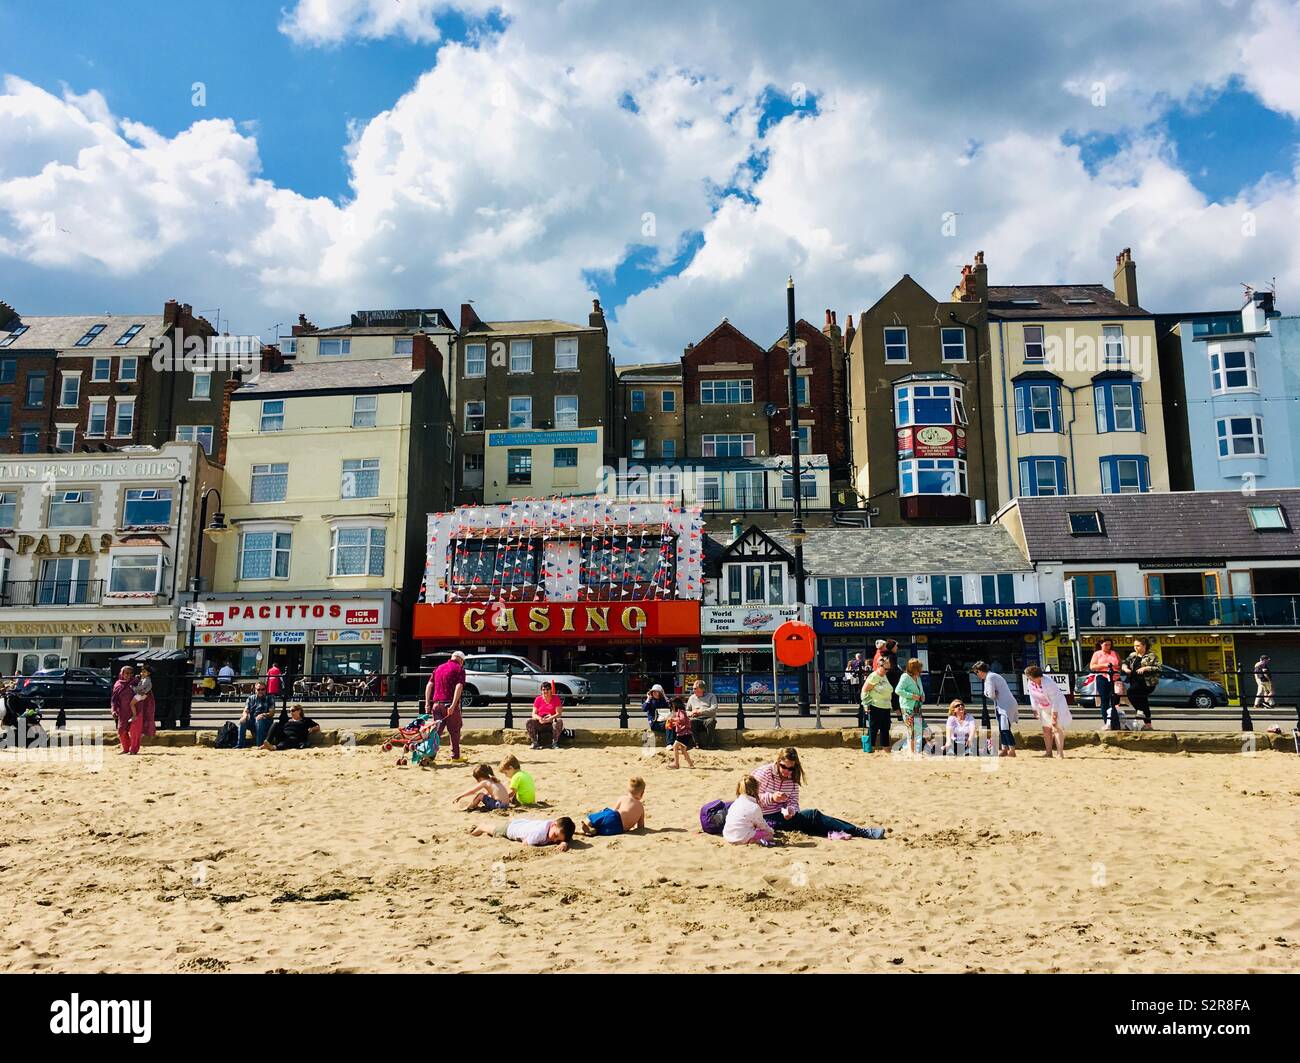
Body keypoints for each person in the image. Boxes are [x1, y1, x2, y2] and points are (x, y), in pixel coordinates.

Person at [751, 748, 887, 839]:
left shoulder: (792, 778)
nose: (786, 771)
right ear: (777, 762)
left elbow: (793, 801)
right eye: (783, 767)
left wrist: (791, 810)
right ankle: (859, 832)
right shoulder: (764, 773)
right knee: (813, 815)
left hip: (780, 816)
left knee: (811, 821)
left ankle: (844, 832)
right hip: (763, 818)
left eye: (790, 768)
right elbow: (748, 799)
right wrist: (771, 797)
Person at [424, 650, 466, 761]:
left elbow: (429, 685)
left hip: (436, 704)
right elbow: (459, 686)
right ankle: (455, 756)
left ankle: (429, 755)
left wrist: (427, 703)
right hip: (448, 704)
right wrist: (453, 704)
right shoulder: (459, 669)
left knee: (436, 732)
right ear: (461, 660)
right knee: (455, 730)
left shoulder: (439, 668)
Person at [1025, 665, 1070, 759]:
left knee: (1057, 728)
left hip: (1057, 706)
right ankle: (1048, 752)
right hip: (1043, 706)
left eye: (1030, 677)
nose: (1029, 679)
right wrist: (1035, 709)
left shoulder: (1049, 683)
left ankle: (1060, 753)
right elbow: (1032, 696)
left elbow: (1055, 700)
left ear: (1038, 676)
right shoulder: (1030, 682)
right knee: (1046, 729)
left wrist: (1054, 715)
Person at [975, 661, 1018, 758]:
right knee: (1001, 728)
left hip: (1006, 705)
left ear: (980, 671)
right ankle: (1004, 749)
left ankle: (1012, 750)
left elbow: (991, 694)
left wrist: (985, 693)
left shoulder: (990, 678)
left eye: (976, 672)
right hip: (1001, 705)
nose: (977, 675)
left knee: (1005, 728)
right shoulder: (991, 676)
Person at [580, 776, 646, 836]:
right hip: (618, 829)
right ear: (642, 793)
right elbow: (641, 826)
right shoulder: (641, 807)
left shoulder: (623, 798)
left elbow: (613, 810)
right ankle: (594, 831)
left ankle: (587, 824)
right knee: (601, 830)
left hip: (614, 817)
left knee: (594, 817)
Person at [722, 775, 774, 846]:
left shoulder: (735, 803)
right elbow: (762, 825)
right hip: (741, 837)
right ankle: (755, 841)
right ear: (756, 790)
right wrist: (770, 831)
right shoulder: (754, 807)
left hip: (728, 835)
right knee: (769, 835)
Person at [469, 816, 575, 851]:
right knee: (492, 830)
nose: (554, 840)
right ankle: (478, 829)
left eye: (558, 840)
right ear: (553, 825)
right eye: (555, 836)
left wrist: (563, 843)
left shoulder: (553, 826)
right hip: (509, 830)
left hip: (522, 823)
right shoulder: (539, 833)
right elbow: (525, 843)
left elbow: (561, 835)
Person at [1121, 637, 1159, 730]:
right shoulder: (1133, 655)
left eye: (1138, 646)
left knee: (1130, 693)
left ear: (1144, 646)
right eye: (1134, 646)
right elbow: (1124, 663)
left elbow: (1158, 667)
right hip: (1134, 681)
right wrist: (1125, 668)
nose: (1135, 647)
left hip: (1147, 682)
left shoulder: (1151, 655)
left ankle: (1139, 711)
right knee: (1144, 702)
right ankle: (1148, 725)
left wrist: (1146, 668)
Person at [860, 657, 893, 752]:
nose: (887, 671)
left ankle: (886, 747)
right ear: (879, 666)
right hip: (875, 705)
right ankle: (870, 748)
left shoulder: (884, 675)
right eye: (885, 669)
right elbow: (865, 690)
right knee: (873, 728)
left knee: (885, 728)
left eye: (888, 669)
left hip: (885, 706)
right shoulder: (874, 676)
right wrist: (866, 704)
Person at [1089, 638, 1122, 730]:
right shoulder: (1097, 654)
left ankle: (1116, 722)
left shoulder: (1114, 653)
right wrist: (1105, 665)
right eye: (1106, 644)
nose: (1108, 646)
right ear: (1101, 644)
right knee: (1105, 700)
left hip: (1114, 677)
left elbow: (1120, 664)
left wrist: (1117, 668)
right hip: (1103, 677)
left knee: (1116, 700)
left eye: (1109, 644)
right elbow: (1092, 666)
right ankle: (1107, 722)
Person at [895, 658, 926, 753]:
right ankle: (911, 751)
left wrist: (923, 695)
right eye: (919, 668)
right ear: (914, 668)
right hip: (908, 706)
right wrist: (912, 696)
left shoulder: (918, 677)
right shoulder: (905, 677)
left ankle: (914, 749)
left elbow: (920, 689)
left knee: (918, 728)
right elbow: (898, 690)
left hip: (917, 706)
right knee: (911, 729)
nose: (921, 670)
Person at [237, 681, 276, 749]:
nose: (260, 691)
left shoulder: (270, 698)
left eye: (263, 689)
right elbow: (245, 710)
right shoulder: (250, 698)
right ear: (255, 690)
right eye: (258, 689)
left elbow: (272, 713)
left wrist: (263, 715)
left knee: (259, 720)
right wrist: (245, 716)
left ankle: (260, 745)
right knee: (242, 721)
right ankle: (240, 745)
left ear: (265, 690)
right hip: (252, 720)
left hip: (265, 721)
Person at [110, 666, 139, 756]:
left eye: (131, 673)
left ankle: (133, 749)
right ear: (122, 674)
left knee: (134, 731)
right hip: (123, 711)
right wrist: (114, 710)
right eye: (126, 673)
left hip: (135, 710)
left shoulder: (136, 682)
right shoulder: (118, 684)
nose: (129, 675)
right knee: (121, 730)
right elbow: (114, 699)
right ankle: (125, 748)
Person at [128, 665, 157, 754]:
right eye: (142, 672)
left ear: (148, 673)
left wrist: (133, 688)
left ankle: (134, 715)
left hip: (142, 695)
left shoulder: (146, 680)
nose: (142, 673)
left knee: (132, 704)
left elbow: (140, 688)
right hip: (143, 695)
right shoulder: (145, 680)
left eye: (144, 672)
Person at [527, 680, 564, 750]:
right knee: (529, 722)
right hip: (540, 721)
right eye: (543, 689)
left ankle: (555, 743)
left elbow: (559, 714)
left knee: (559, 721)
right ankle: (534, 742)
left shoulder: (556, 698)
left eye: (547, 689)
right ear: (541, 691)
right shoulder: (538, 699)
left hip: (551, 722)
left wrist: (550, 718)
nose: (545, 691)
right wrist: (539, 718)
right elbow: (533, 714)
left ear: (551, 690)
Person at [685, 680, 718, 749]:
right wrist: (691, 713)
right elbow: (686, 711)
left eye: (695, 688)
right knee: (691, 722)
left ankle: (710, 744)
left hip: (708, 718)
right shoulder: (692, 698)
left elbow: (714, 708)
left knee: (711, 721)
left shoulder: (711, 696)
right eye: (693, 688)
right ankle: (697, 743)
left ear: (701, 689)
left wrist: (700, 712)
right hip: (696, 719)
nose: (693, 690)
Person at [664, 696, 696, 769]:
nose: (672, 707)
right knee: (683, 750)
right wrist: (674, 723)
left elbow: (682, 719)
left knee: (675, 746)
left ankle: (676, 764)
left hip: (684, 734)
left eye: (672, 705)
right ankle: (690, 764)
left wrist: (673, 719)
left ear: (675, 705)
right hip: (685, 733)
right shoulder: (681, 712)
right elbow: (682, 722)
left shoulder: (681, 712)